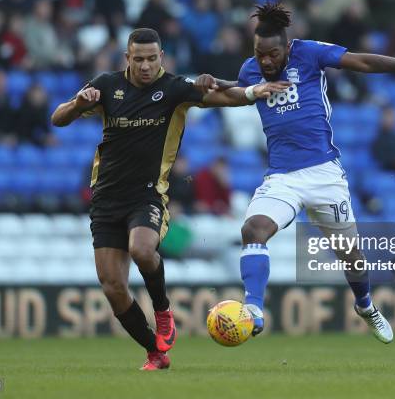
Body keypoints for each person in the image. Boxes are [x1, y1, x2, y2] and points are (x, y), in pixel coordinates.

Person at [195, 2, 395, 344]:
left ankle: (365, 305)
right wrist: (213, 83)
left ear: (287, 48)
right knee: (253, 229)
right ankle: (254, 308)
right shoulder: (251, 70)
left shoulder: (309, 53)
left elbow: (360, 61)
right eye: (260, 54)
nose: (266, 61)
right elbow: (240, 90)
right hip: (282, 176)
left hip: (324, 174)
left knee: (351, 255)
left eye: (272, 54)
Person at [51, 28, 288, 371]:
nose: (145, 66)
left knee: (142, 249)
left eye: (151, 59)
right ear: (127, 59)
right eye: (138, 59)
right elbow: (57, 119)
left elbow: (226, 97)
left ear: (161, 57)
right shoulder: (106, 84)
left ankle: (163, 311)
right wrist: (77, 104)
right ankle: (155, 352)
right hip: (105, 198)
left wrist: (254, 91)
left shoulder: (175, 88)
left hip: (147, 194)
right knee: (113, 287)